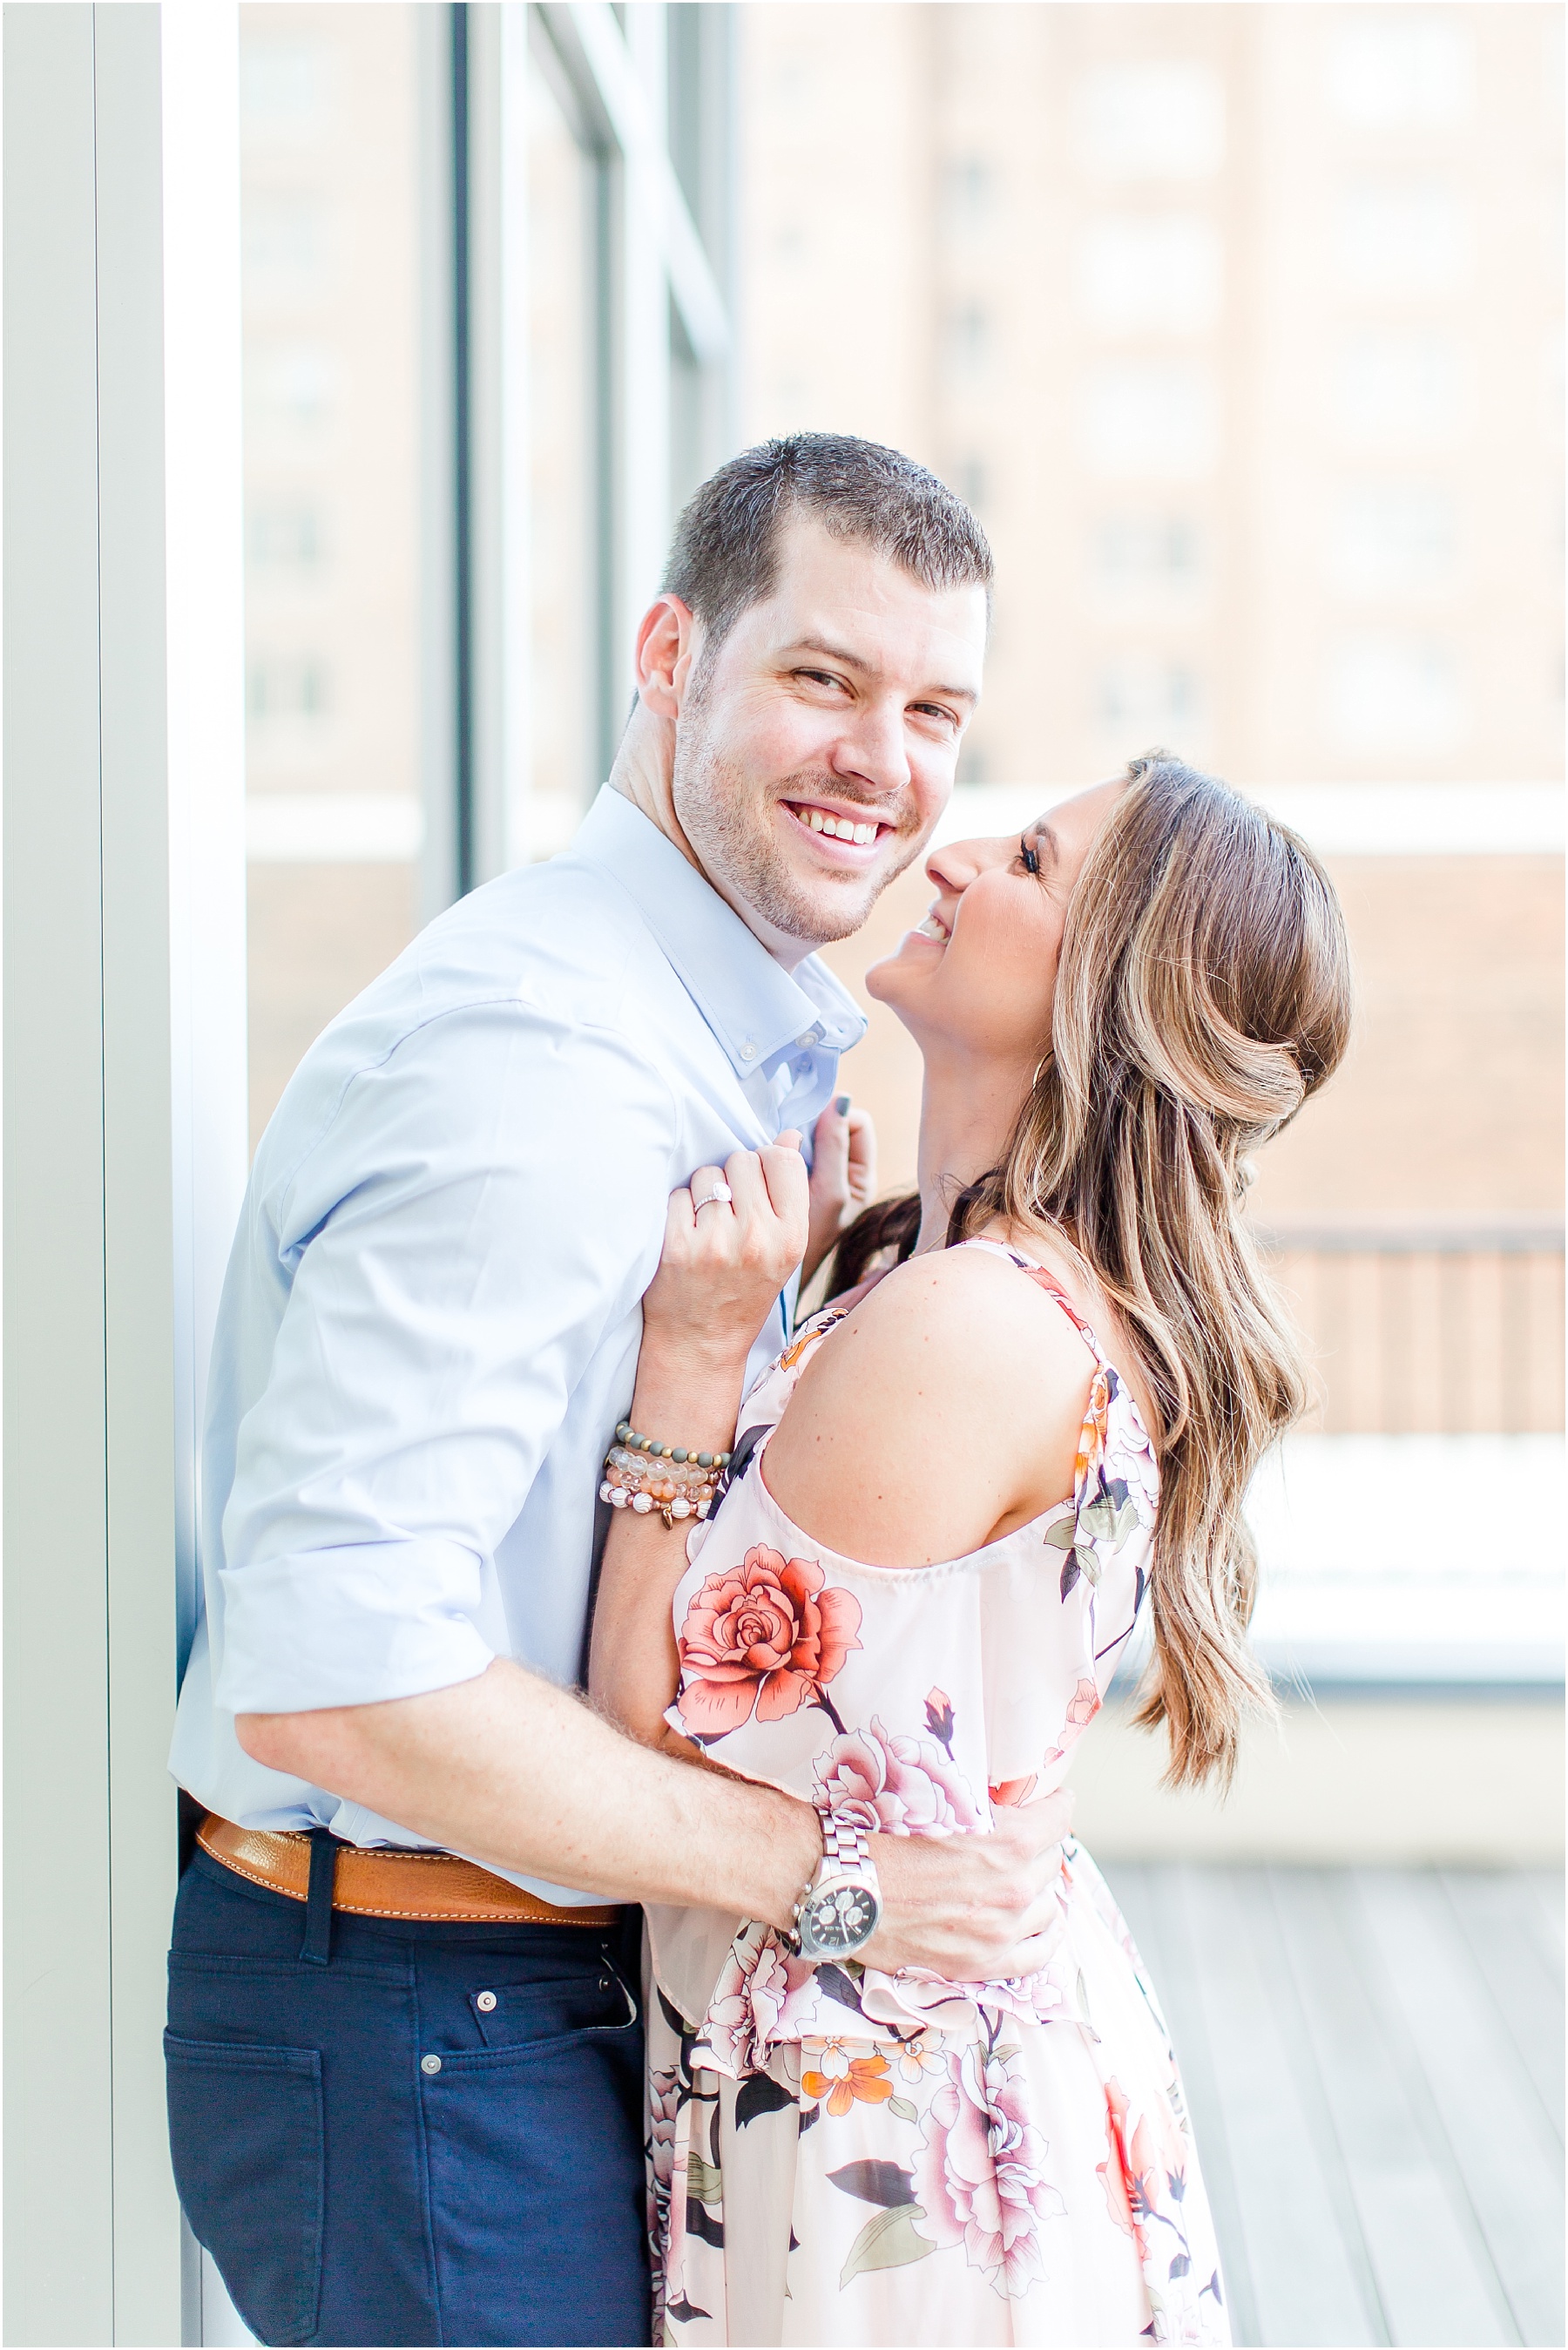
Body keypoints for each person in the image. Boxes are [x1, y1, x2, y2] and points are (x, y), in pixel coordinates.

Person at [163, 435, 1076, 2350]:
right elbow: (341, 1662)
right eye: (821, 678)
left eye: (934, 709)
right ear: (669, 655)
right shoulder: (546, 1067)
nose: (882, 762)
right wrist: (838, 1882)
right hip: (418, 2008)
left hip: (526, 1995)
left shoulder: (725, 1052)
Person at [590, 752, 1355, 2346]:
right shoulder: (981, 1284)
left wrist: (688, 1361)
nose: (950, 861)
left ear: (1109, 990)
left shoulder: (974, 1322)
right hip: (941, 2051)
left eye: (1025, 862)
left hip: (883, 2119)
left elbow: (642, 1745)